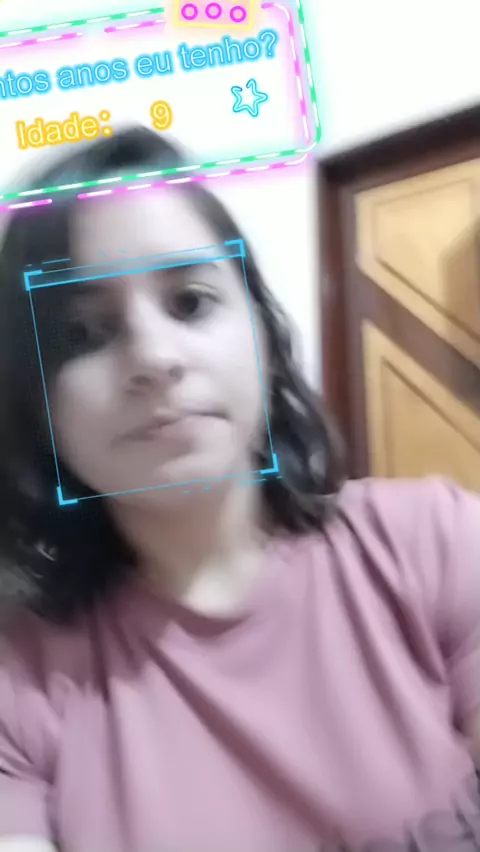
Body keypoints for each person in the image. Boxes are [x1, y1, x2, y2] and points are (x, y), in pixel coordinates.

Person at [0, 126, 479, 852]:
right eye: (85, 333)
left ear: (261, 331)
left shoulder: (434, 543)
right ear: (37, 403)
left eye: (190, 303)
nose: (154, 358)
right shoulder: (19, 680)